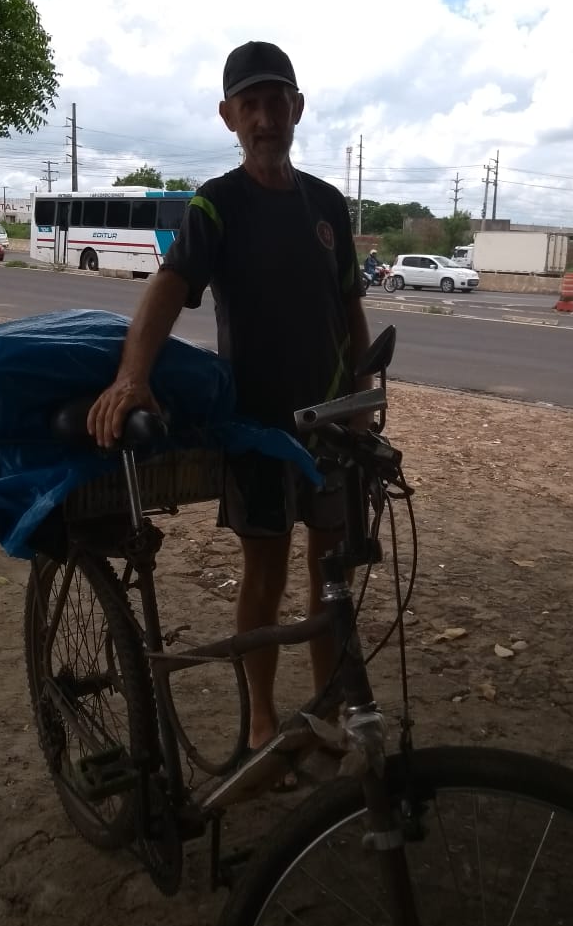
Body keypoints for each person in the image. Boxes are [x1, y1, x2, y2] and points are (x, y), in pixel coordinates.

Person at [88, 41, 372, 765]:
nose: (265, 117)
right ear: (228, 117)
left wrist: (364, 396)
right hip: (257, 427)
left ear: (297, 108)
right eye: (250, 104)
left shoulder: (328, 205)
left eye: (277, 101)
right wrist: (131, 377)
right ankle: (261, 723)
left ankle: (327, 712)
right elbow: (168, 286)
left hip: (331, 426)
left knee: (332, 576)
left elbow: (350, 305)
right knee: (265, 574)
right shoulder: (217, 203)